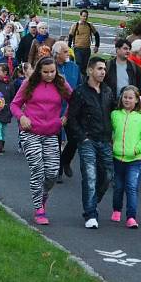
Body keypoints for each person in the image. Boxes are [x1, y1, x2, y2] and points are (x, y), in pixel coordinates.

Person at [11, 56, 73, 225]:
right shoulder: (29, 84)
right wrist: (22, 117)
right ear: (39, 71)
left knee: (52, 172)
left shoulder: (61, 84)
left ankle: (43, 196)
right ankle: (39, 209)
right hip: (30, 131)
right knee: (37, 168)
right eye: (45, 72)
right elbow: (14, 104)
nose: (49, 75)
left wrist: (65, 117)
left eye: (52, 71)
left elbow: (74, 101)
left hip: (51, 133)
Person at [67, 57, 116, 229]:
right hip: (87, 140)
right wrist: (82, 137)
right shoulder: (80, 92)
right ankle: (90, 214)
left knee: (108, 175)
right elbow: (71, 118)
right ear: (90, 70)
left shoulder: (108, 91)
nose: (103, 72)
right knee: (90, 176)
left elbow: (114, 112)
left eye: (104, 69)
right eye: (99, 68)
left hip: (105, 140)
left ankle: (92, 203)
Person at [110, 85, 141, 229]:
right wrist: (112, 145)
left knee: (131, 187)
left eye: (130, 98)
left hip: (136, 159)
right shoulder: (115, 114)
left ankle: (131, 217)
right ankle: (116, 209)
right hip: (117, 158)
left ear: (136, 101)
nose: (127, 100)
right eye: (125, 97)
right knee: (118, 187)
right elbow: (111, 132)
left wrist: (137, 149)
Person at [53, 41, 81, 179]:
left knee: (75, 139)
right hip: (54, 110)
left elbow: (79, 87)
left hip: (71, 110)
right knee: (56, 141)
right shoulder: (50, 67)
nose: (68, 53)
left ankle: (65, 161)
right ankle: (57, 172)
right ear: (57, 54)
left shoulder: (74, 67)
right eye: (65, 51)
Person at [68, 10, 100, 77]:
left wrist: (97, 46)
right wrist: (69, 47)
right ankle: (78, 79)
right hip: (78, 48)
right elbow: (70, 37)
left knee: (85, 66)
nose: (85, 18)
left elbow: (97, 35)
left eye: (86, 16)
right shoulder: (75, 26)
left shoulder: (89, 25)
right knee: (79, 64)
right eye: (83, 16)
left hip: (87, 49)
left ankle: (83, 79)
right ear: (80, 16)